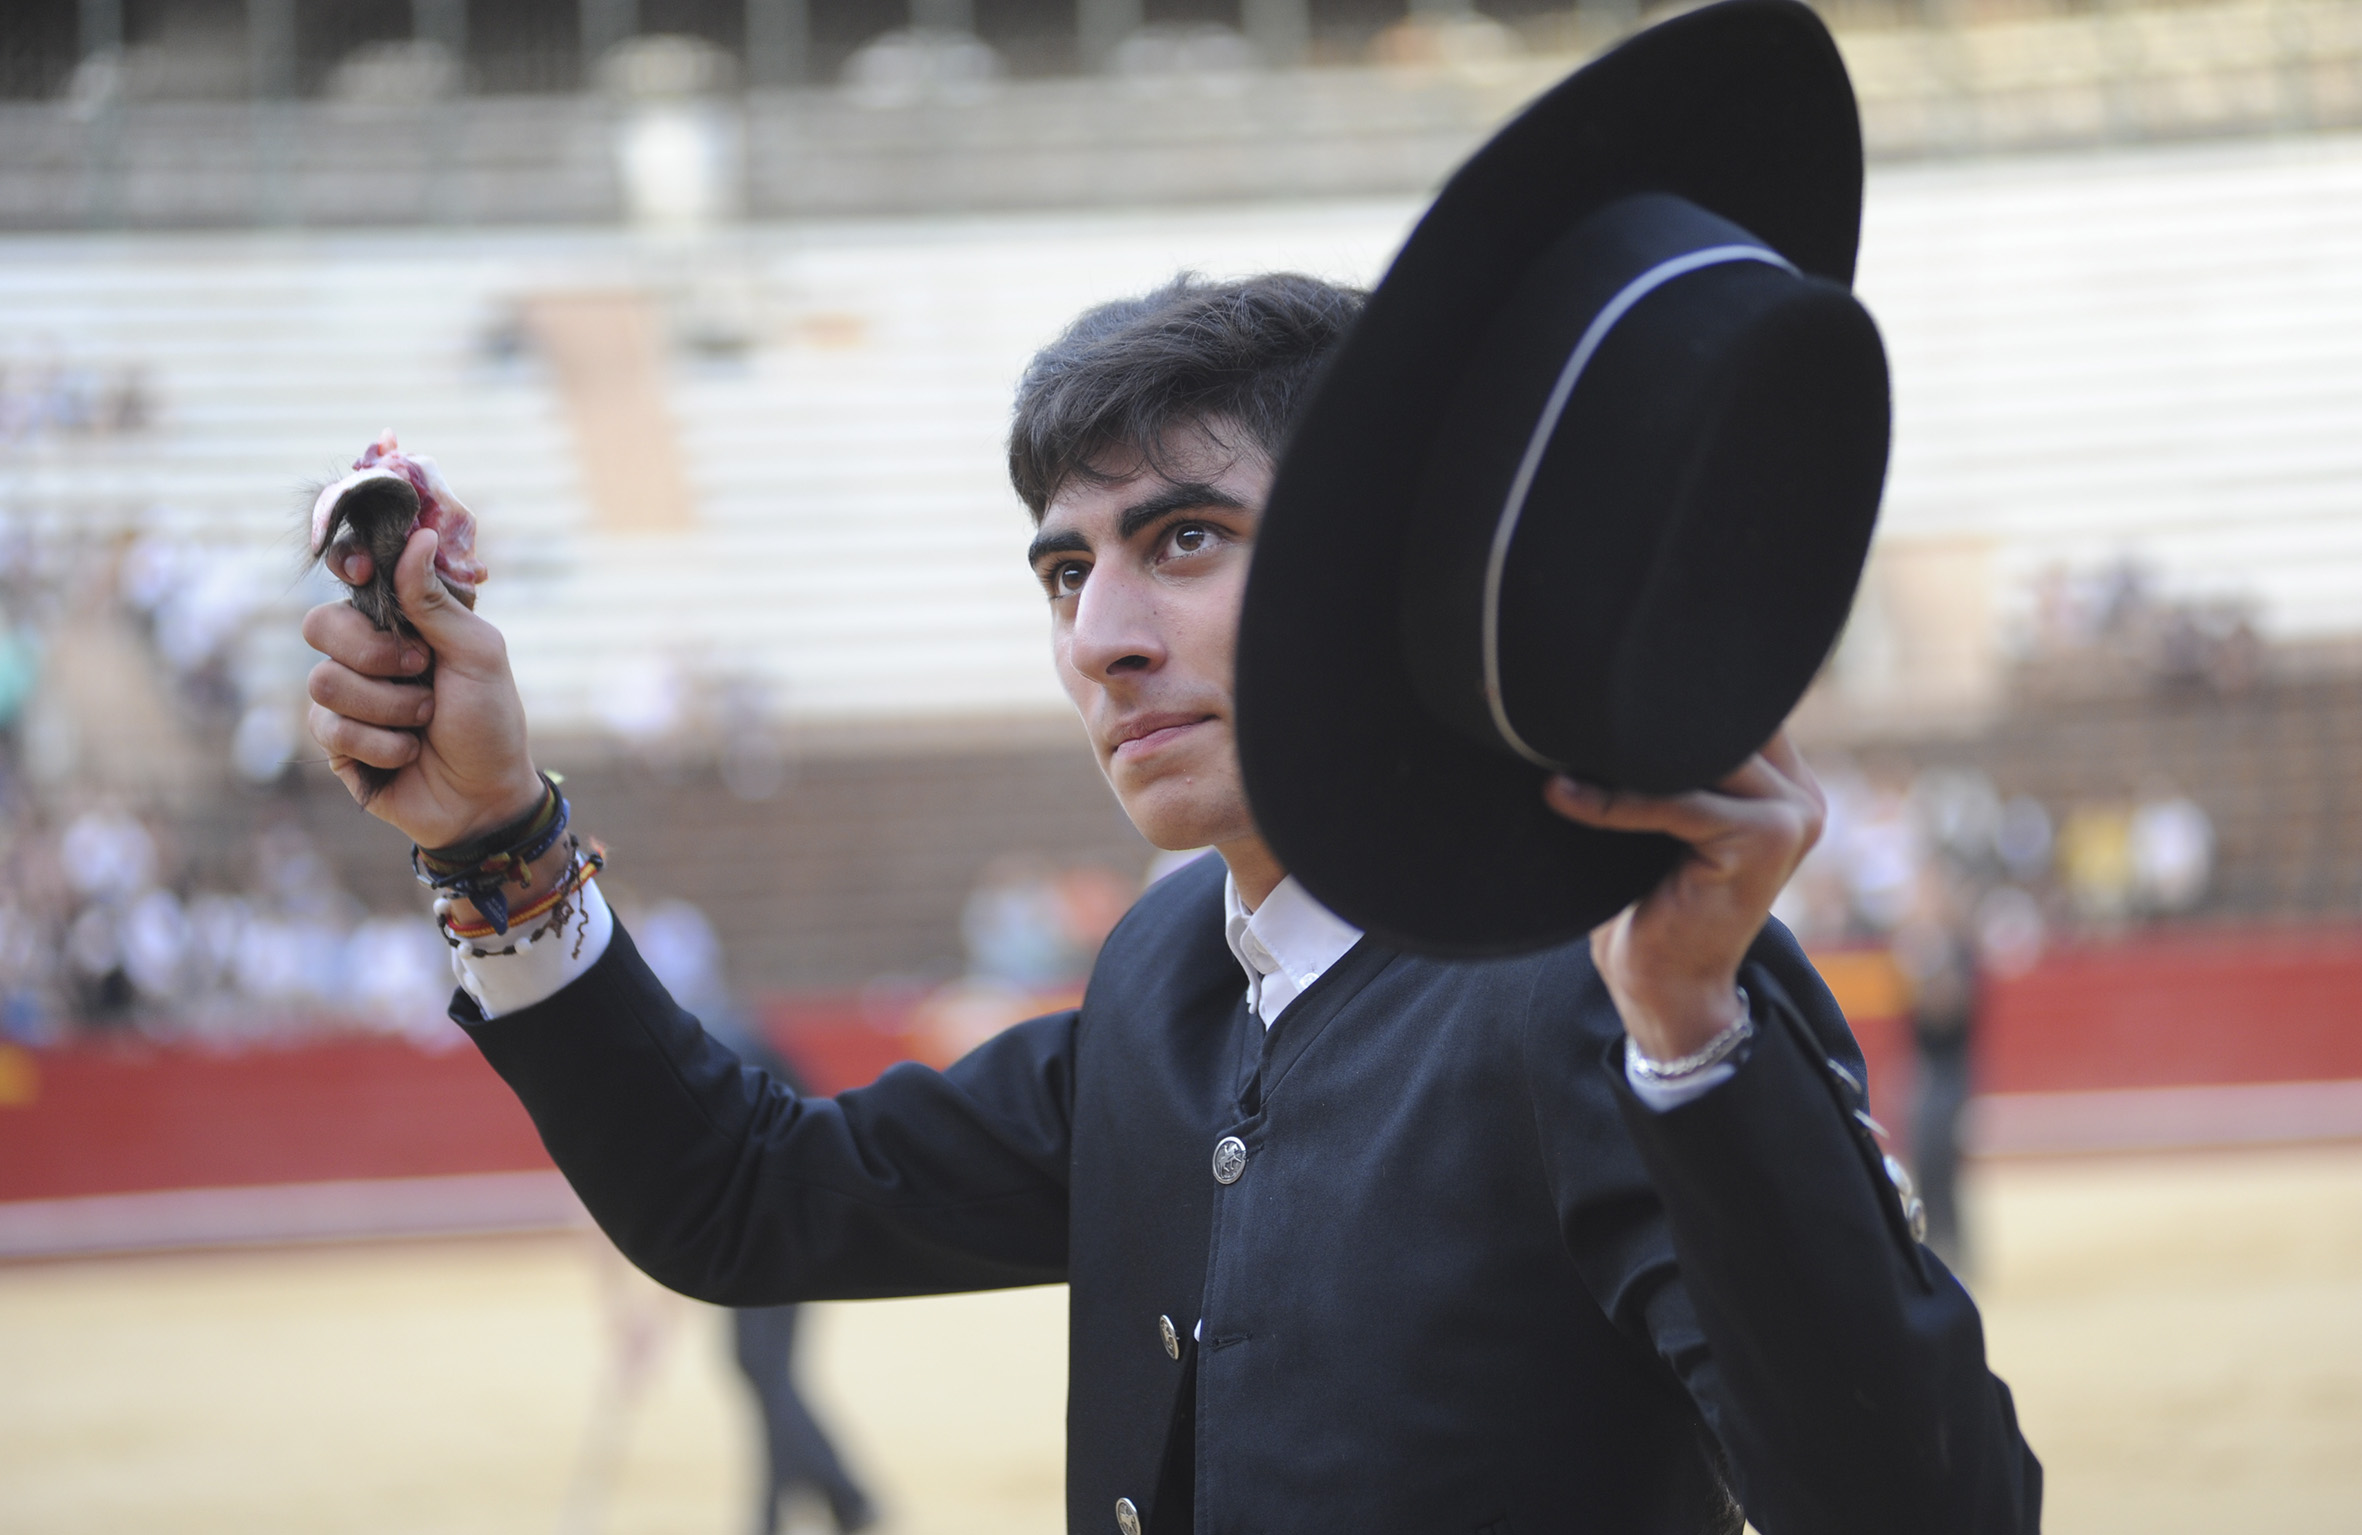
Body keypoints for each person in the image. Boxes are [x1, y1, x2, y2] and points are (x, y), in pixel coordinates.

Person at [302, 19, 2039, 1533]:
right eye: (1065, 574)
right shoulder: (1163, 978)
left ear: (1368, 568)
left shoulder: (1609, 988)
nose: (1099, 638)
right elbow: (747, 1201)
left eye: (1183, 540)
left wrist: (1691, 1039)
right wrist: (492, 841)